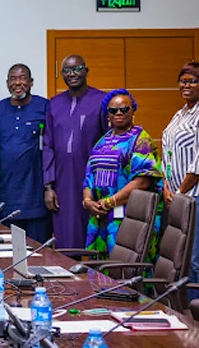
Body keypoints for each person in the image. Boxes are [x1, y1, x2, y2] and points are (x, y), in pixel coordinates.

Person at [83, 89, 162, 260]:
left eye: (124, 109)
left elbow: (143, 181)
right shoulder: (101, 142)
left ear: (133, 111)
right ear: (108, 115)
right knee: (100, 271)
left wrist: (111, 202)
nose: (118, 113)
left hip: (130, 217)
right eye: (113, 110)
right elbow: (89, 177)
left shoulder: (141, 139)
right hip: (101, 217)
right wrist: (88, 201)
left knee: (126, 270)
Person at [43, 55, 106, 250]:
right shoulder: (54, 104)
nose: (72, 74)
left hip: (93, 179)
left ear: (86, 70)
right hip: (62, 181)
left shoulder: (102, 100)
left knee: (96, 233)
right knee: (66, 238)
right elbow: (48, 145)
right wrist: (48, 186)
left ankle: (97, 277)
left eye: (77, 69)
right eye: (67, 71)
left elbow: (109, 141)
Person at [0, 64, 50, 243]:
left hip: (36, 194)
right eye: (13, 79)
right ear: (7, 83)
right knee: (10, 251)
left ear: (31, 82)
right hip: (7, 193)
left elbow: (53, 146)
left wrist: (50, 187)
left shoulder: (44, 106)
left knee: (39, 251)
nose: (18, 83)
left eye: (22, 78)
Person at [161, 63, 199, 298]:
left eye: (193, 81)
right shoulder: (181, 113)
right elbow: (167, 153)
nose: (186, 85)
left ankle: (195, 314)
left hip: (194, 197)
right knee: (179, 256)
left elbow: (198, 162)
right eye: (183, 80)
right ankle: (182, 309)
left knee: (194, 258)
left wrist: (182, 192)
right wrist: (166, 186)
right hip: (176, 197)